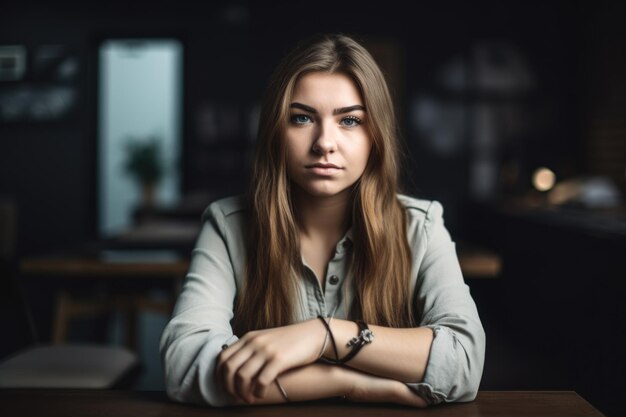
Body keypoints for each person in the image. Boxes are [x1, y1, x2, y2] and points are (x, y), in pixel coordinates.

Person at [160, 33, 485, 407]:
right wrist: (346, 382)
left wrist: (324, 336)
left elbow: (463, 363)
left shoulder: (422, 226)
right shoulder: (228, 224)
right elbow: (184, 365)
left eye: (349, 120)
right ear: (275, 133)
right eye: (301, 118)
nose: (324, 143)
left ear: (375, 136)